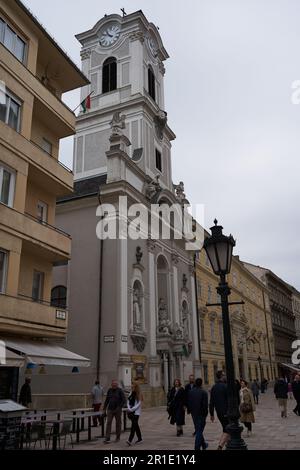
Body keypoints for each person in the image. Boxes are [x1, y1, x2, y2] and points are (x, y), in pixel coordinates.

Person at [209, 370, 230, 450]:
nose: (225, 376)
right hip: (227, 412)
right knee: (227, 429)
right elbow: (229, 400)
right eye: (224, 375)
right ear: (221, 376)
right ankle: (220, 446)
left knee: (227, 428)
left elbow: (211, 402)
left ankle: (228, 444)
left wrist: (211, 414)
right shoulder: (225, 386)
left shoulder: (214, 387)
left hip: (219, 412)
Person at [188, 378, 208, 450]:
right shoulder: (204, 392)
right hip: (201, 414)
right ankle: (197, 447)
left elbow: (189, 403)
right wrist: (205, 414)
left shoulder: (191, 392)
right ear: (201, 383)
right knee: (199, 431)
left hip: (194, 414)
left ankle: (204, 445)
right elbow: (205, 405)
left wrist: (189, 411)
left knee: (198, 429)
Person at [126, 381, 143, 446]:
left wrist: (132, 409)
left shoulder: (139, 393)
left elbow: (139, 404)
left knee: (133, 426)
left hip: (136, 412)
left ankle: (129, 440)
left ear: (135, 385)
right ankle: (140, 438)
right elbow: (128, 401)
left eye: (132, 384)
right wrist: (129, 408)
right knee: (135, 425)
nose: (131, 385)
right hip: (131, 411)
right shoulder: (131, 392)